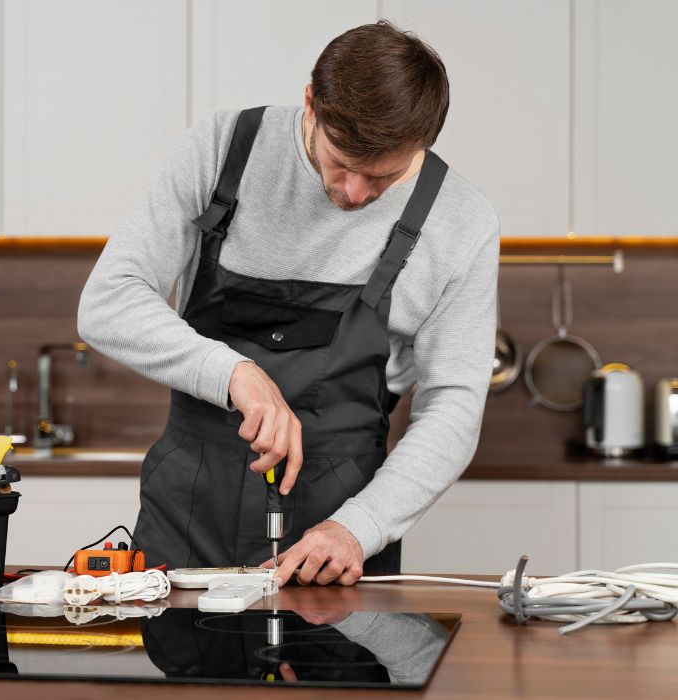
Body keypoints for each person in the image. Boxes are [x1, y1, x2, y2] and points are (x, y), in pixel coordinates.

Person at [77, 21, 499, 587]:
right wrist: (235, 373)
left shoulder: (460, 220)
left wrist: (361, 527)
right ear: (311, 103)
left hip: (335, 532)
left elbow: (453, 407)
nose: (354, 194)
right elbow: (108, 301)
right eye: (341, 161)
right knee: (179, 674)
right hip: (187, 510)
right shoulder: (223, 150)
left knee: (334, 674)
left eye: (384, 177)